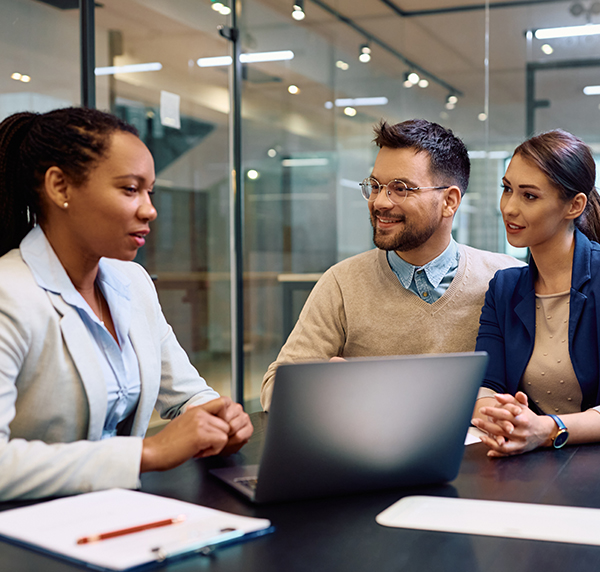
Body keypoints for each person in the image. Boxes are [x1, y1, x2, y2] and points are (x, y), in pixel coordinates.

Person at [0, 107, 253, 501]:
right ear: (60, 187)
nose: (149, 209)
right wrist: (147, 452)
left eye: (149, 191)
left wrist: (219, 418)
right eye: (130, 189)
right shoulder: (9, 294)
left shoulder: (132, 283)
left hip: (118, 513)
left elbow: (187, 396)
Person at [260, 119, 521, 410]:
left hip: (482, 452)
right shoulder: (342, 283)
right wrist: (329, 387)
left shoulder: (504, 279)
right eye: (375, 186)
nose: (380, 201)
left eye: (401, 188)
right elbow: (276, 388)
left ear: (449, 201)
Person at [472, 129, 600, 457]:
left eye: (529, 196)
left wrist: (547, 429)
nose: (509, 208)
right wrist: (498, 416)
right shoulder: (504, 289)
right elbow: (487, 385)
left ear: (574, 205)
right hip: (525, 460)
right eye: (507, 189)